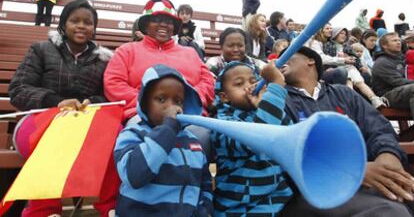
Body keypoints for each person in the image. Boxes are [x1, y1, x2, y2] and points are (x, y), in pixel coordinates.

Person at [9, 0, 118, 217]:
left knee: (118, 136)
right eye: (74, 20)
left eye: (88, 22)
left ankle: (111, 208)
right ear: (63, 24)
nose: (81, 26)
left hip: (85, 123)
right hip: (40, 120)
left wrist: (92, 101)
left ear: (94, 28)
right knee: (55, 135)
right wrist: (55, 101)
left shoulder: (104, 60)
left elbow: (108, 95)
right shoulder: (40, 50)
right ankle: (44, 210)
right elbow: (18, 90)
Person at [279, 47, 413, 216]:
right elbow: (290, 153)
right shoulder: (278, 99)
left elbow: (379, 129)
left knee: (404, 195)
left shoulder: (343, 93)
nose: (279, 61)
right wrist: (352, 171)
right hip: (318, 191)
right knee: (391, 212)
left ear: (310, 60)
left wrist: (388, 155)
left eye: (286, 56)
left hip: (370, 180)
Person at [114, 64, 213, 216]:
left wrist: (203, 210)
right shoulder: (132, 134)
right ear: (145, 103)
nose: (171, 107)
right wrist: (167, 130)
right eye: (161, 99)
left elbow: (204, 183)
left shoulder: (193, 142)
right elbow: (134, 175)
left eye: (178, 101)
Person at [104, 0, 214, 124]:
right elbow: (113, 82)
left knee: (203, 136)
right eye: (156, 20)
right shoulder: (126, 51)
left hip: (189, 116)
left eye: (168, 21)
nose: (163, 25)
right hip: (141, 115)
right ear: (145, 26)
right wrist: (150, 104)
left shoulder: (191, 53)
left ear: (173, 27)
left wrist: (188, 101)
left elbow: (208, 81)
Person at [212, 61, 292, 216]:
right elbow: (260, 139)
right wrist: (275, 88)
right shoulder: (221, 124)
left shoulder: (264, 111)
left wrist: (262, 105)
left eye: (253, 81)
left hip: (278, 199)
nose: (249, 86)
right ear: (224, 97)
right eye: (239, 84)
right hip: (239, 208)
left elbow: (289, 134)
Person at [323, 27, 385, 108]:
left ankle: (374, 99)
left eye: (345, 34)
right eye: (341, 33)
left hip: (350, 66)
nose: (344, 36)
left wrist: (360, 66)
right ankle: (351, 101)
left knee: (359, 82)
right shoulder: (328, 45)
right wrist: (329, 67)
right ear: (335, 34)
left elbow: (355, 57)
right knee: (348, 82)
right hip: (338, 67)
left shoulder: (346, 46)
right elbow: (328, 58)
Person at [372, 32, 414, 118]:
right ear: (384, 45)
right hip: (387, 96)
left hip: (403, 92)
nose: (399, 42)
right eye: (394, 40)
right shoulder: (382, 62)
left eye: (399, 40)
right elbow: (398, 82)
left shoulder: (400, 59)